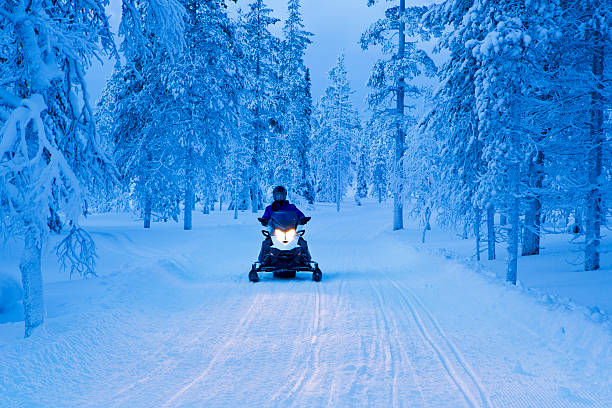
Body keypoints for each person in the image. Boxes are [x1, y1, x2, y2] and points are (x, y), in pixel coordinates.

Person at [258, 186, 311, 264]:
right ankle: (263, 260)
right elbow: (265, 218)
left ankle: (305, 259)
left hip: (291, 230)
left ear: (285, 195)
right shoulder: (269, 208)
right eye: (277, 195)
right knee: (266, 243)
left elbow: (299, 214)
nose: (279, 197)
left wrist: (303, 219)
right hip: (275, 232)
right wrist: (264, 221)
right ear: (274, 196)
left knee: (301, 242)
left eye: (281, 195)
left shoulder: (291, 207)